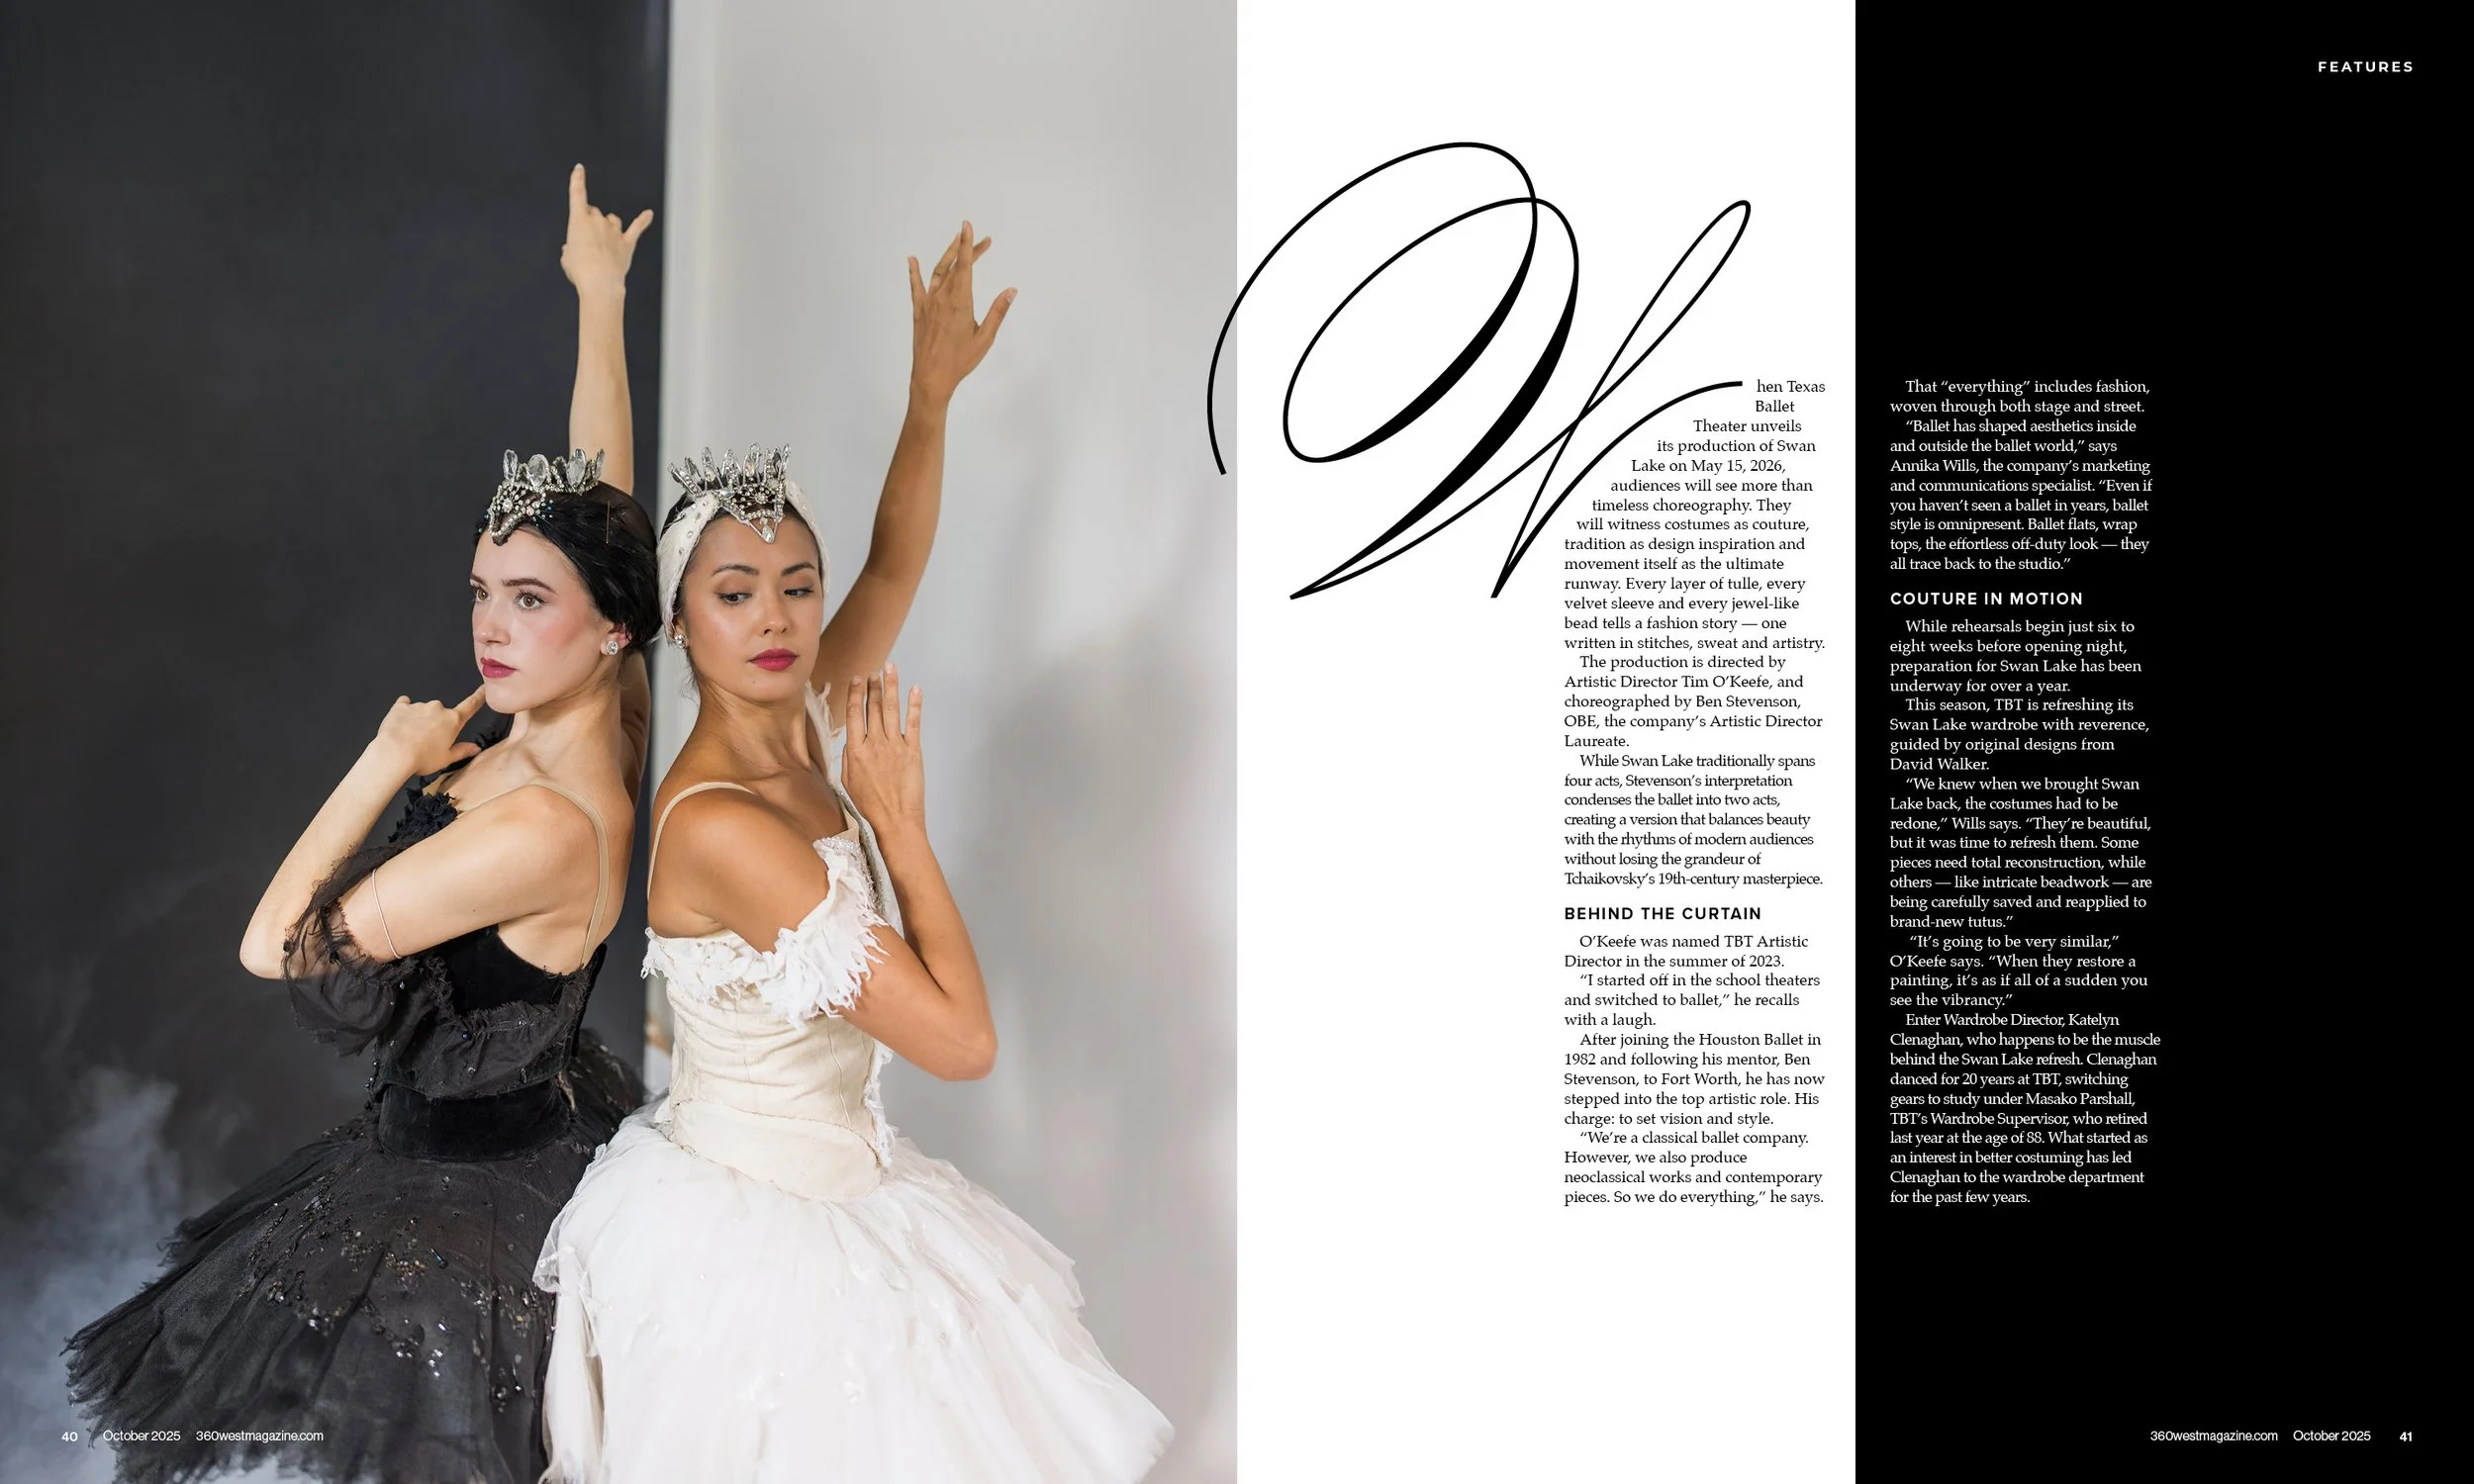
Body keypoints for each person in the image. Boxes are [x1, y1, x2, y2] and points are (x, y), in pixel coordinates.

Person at [532, 225, 1171, 1481]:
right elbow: (962, 1043)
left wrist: (929, 398)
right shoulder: (723, 825)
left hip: (856, 1189)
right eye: (734, 592)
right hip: (756, 1237)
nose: (774, 615)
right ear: (677, 619)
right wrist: (903, 829)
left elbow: (896, 557)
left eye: (797, 585)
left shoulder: (810, 709)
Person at [63, 166, 660, 1484]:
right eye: (482, 591)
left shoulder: (547, 827)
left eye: (526, 601)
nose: (490, 624)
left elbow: (273, 947)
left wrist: (384, 758)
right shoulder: (601, 713)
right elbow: (599, 495)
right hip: (500, 1144)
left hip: (459, 1226)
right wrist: (600, 300)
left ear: (609, 626)